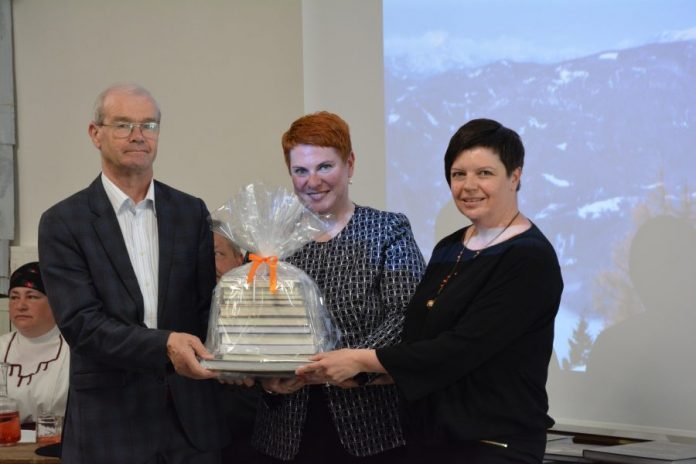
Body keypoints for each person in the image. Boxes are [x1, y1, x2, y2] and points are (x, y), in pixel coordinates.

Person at [297, 118, 564, 464]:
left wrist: (359, 359)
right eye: (458, 174)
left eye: (484, 173)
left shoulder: (529, 257)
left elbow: (460, 350)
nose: (469, 186)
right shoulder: (450, 247)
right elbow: (417, 341)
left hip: (493, 445)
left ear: (515, 176)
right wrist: (361, 377)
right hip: (431, 441)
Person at [38, 83, 228, 464]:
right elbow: (82, 325)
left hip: (190, 426)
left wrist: (248, 353)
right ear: (96, 134)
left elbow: (207, 311)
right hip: (109, 427)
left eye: (149, 125)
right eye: (123, 124)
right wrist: (165, 345)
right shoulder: (64, 222)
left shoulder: (191, 212)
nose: (138, 135)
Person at [251, 111, 426, 462]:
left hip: (372, 428)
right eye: (301, 170)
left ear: (350, 164)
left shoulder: (387, 230)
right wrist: (264, 378)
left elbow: (407, 315)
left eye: (325, 167)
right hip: (285, 432)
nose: (313, 181)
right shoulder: (270, 241)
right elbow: (249, 325)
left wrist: (352, 363)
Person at [0, 262, 69, 425]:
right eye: (14, 297)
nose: (20, 306)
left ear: (55, 302)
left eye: (31, 297)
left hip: (57, 439)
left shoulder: (75, 351)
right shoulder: (1, 347)